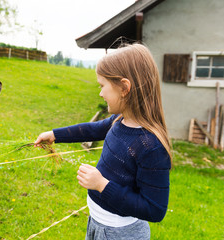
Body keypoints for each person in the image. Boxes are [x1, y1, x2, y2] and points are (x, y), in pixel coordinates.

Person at [34, 43, 171, 240]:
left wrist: (102, 185)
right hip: (98, 224)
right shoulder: (120, 120)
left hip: (120, 234)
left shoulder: (150, 146)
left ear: (124, 87)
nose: (100, 93)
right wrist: (55, 134)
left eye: (102, 86)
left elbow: (155, 209)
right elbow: (93, 129)